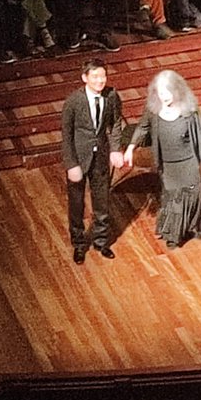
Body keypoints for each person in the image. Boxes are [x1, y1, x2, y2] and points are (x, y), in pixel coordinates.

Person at [125, 70, 201, 249]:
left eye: (167, 91)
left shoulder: (189, 111)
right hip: (167, 163)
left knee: (190, 196)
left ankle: (192, 228)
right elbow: (142, 128)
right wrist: (130, 147)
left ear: (177, 90)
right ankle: (173, 234)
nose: (164, 96)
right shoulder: (153, 110)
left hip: (187, 161)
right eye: (160, 92)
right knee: (173, 198)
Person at [60, 58, 125, 264]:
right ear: (85, 78)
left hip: (101, 156)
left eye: (103, 76)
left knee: (102, 201)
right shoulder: (73, 101)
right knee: (77, 204)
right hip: (79, 157)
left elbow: (115, 124)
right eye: (95, 77)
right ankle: (79, 244)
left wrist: (115, 149)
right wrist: (71, 164)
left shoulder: (112, 96)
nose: (100, 81)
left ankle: (101, 241)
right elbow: (66, 134)